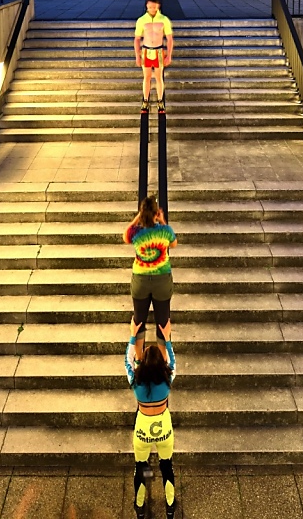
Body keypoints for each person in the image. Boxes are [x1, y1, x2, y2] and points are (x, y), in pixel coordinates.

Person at [125, 317, 177, 519]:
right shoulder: (167, 378)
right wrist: (167, 338)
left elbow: (127, 361)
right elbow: (172, 361)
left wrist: (132, 335)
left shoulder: (136, 381)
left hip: (142, 429)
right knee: (166, 466)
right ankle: (170, 507)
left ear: (143, 362)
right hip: (163, 428)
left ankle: (140, 506)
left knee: (142, 466)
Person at [124, 196, 177, 362]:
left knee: (139, 321)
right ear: (156, 213)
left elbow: (125, 236)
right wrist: (162, 221)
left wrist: (136, 219)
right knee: (162, 322)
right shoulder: (165, 231)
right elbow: (173, 244)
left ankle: (139, 360)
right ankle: (163, 360)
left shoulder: (136, 232)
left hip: (141, 280)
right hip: (162, 281)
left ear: (142, 213)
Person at [134, 0, 174, 111]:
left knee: (158, 77)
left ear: (158, 6)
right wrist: (137, 55)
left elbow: (169, 38)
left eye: (154, 7)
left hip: (159, 50)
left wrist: (169, 55)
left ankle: (160, 100)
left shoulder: (164, 19)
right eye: (150, 7)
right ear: (147, 6)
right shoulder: (141, 20)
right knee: (146, 77)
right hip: (146, 50)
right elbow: (137, 39)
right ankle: (145, 100)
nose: (152, 9)